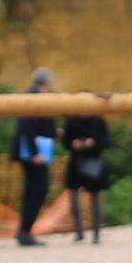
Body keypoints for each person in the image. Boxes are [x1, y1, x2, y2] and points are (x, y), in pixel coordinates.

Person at [10, 70, 61, 248]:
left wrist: (56, 134)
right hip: (34, 155)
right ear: (46, 82)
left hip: (35, 153)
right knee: (37, 190)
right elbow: (27, 127)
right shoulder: (32, 98)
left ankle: (25, 231)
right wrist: (34, 154)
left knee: (34, 190)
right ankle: (25, 231)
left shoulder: (36, 96)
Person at [58, 109, 111, 241]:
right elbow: (66, 141)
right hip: (75, 161)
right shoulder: (71, 121)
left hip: (93, 161)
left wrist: (93, 143)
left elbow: (106, 141)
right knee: (74, 197)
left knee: (95, 197)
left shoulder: (98, 121)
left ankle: (96, 232)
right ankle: (79, 231)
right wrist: (73, 143)